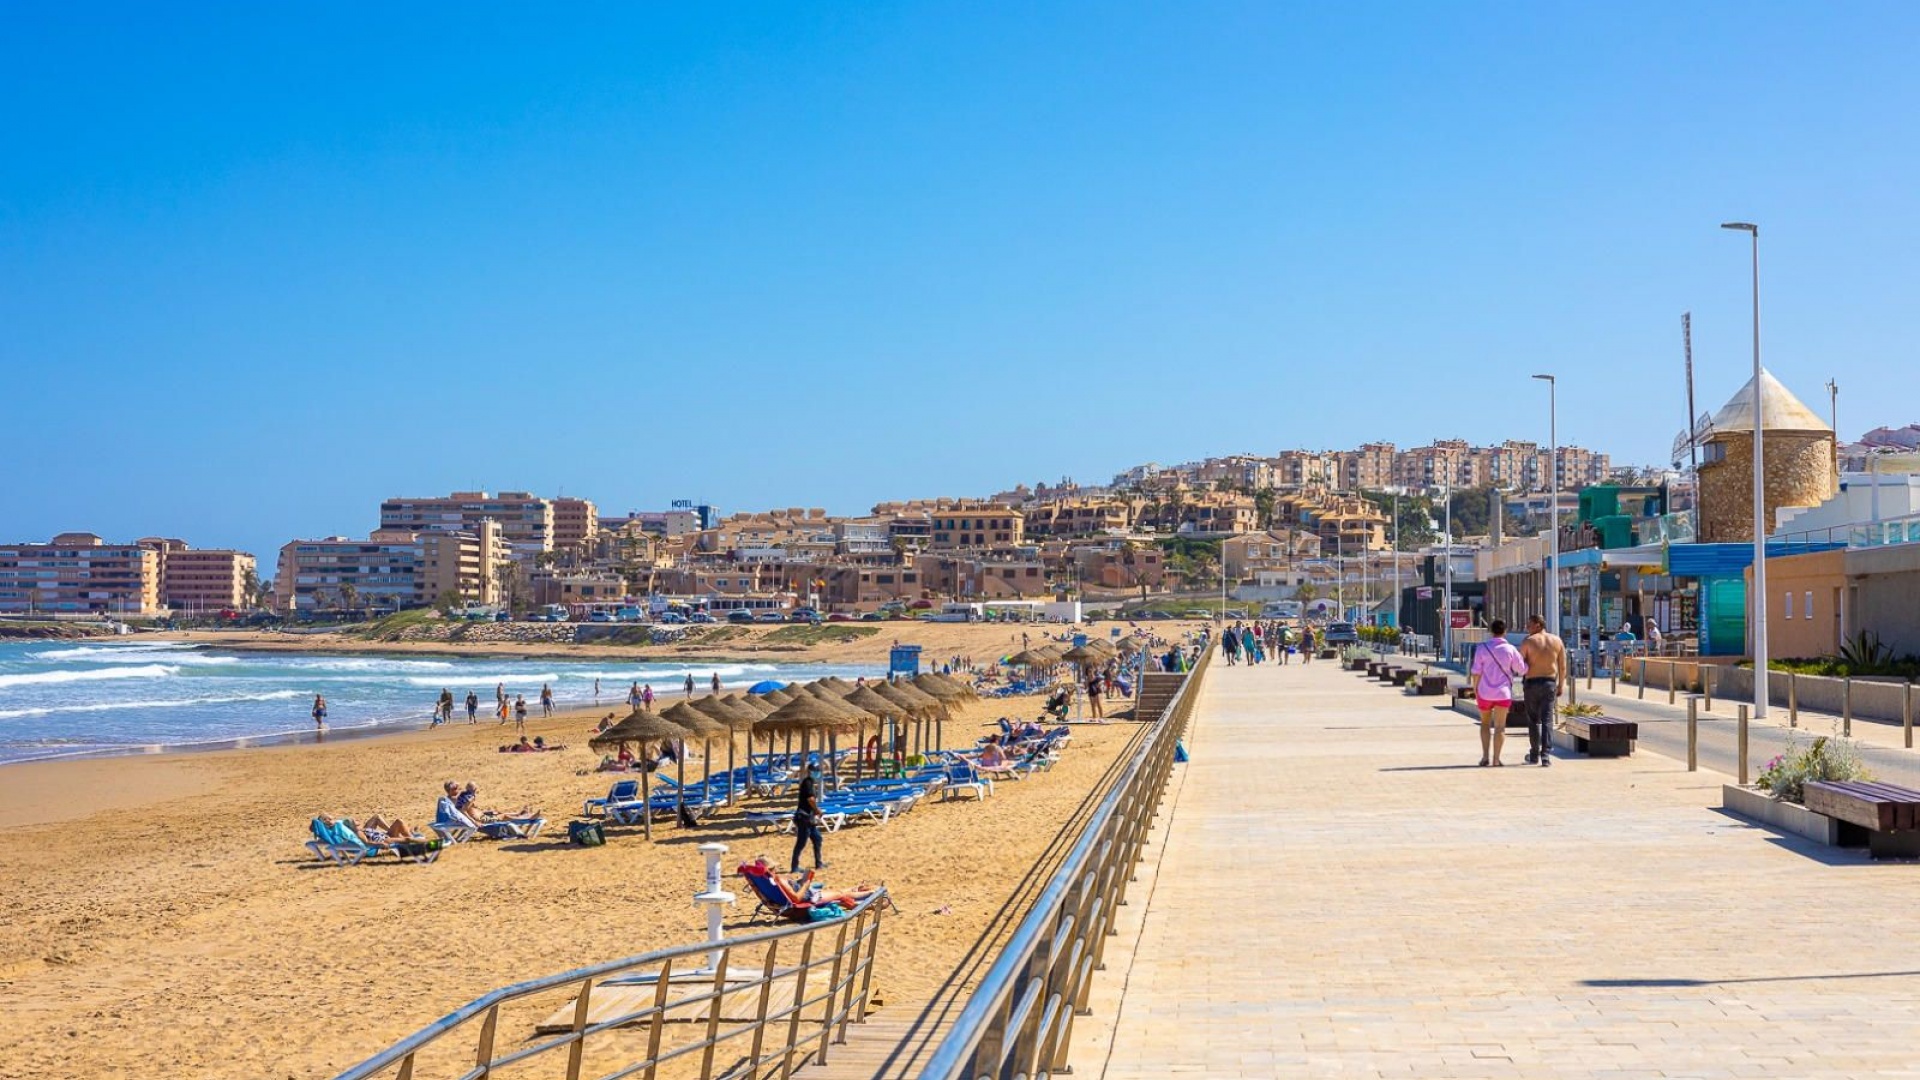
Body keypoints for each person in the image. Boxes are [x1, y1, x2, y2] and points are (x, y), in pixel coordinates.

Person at [1470, 618, 1527, 767]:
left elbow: (1476, 671)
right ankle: (1496, 759)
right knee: (1500, 727)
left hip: (1484, 692)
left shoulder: (1482, 648)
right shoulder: (1510, 649)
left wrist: (1475, 689)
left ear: (1490, 631)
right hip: (1503, 693)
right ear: (1505, 631)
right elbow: (1521, 669)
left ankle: (1484, 757)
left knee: (1484, 724)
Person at [1519, 614, 1568, 767]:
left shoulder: (1528, 641)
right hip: (1549, 683)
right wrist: (1561, 685)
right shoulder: (1557, 640)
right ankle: (1545, 756)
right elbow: (1562, 666)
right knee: (1547, 720)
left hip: (1532, 683)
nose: (1527, 627)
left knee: (1533, 719)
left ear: (1538, 625)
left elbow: (1520, 665)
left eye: (1530, 625)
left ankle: (1534, 754)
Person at [791, 762, 827, 873]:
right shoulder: (807, 783)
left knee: (817, 838)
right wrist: (817, 810)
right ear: (811, 772)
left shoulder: (810, 783)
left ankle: (819, 864)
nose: (818, 773)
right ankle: (794, 867)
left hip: (809, 818)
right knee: (801, 842)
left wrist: (814, 811)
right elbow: (810, 799)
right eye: (816, 771)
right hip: (804, 818)